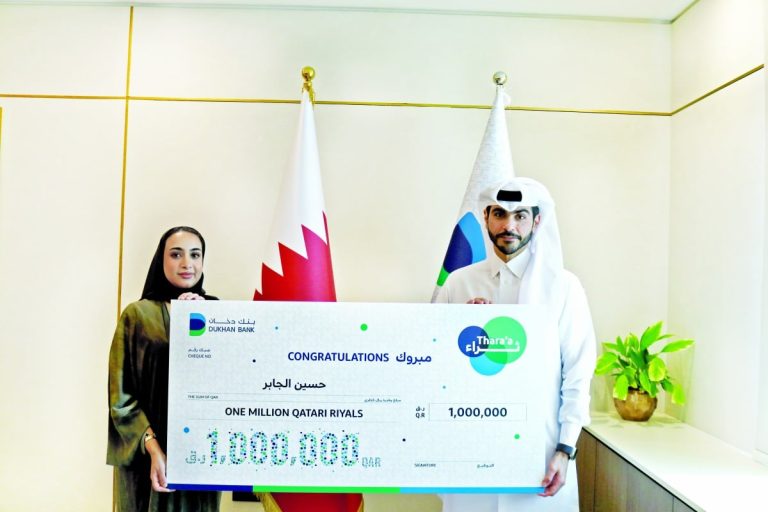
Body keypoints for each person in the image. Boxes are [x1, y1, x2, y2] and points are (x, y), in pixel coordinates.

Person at [436, 178, 596, 512]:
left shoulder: (563, 288)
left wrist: (565, 450)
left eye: (520, 215)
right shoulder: (458, 283)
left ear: (537, 221)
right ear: (485, 217)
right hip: (469, 453)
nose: (509, 225)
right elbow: (433, 365)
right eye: (499, 214)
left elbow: (578, 374)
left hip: (540, 456)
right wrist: (460, 332)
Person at [107, 226, 221, 512]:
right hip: (147, 456)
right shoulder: (137, 315)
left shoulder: (219, 314)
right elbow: (120, 396)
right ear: (161, 260)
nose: (187, 263)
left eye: (195, 255)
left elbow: (229, 380)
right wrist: (153, 447)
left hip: (198, 456)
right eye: (176, 254)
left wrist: (204, 320)